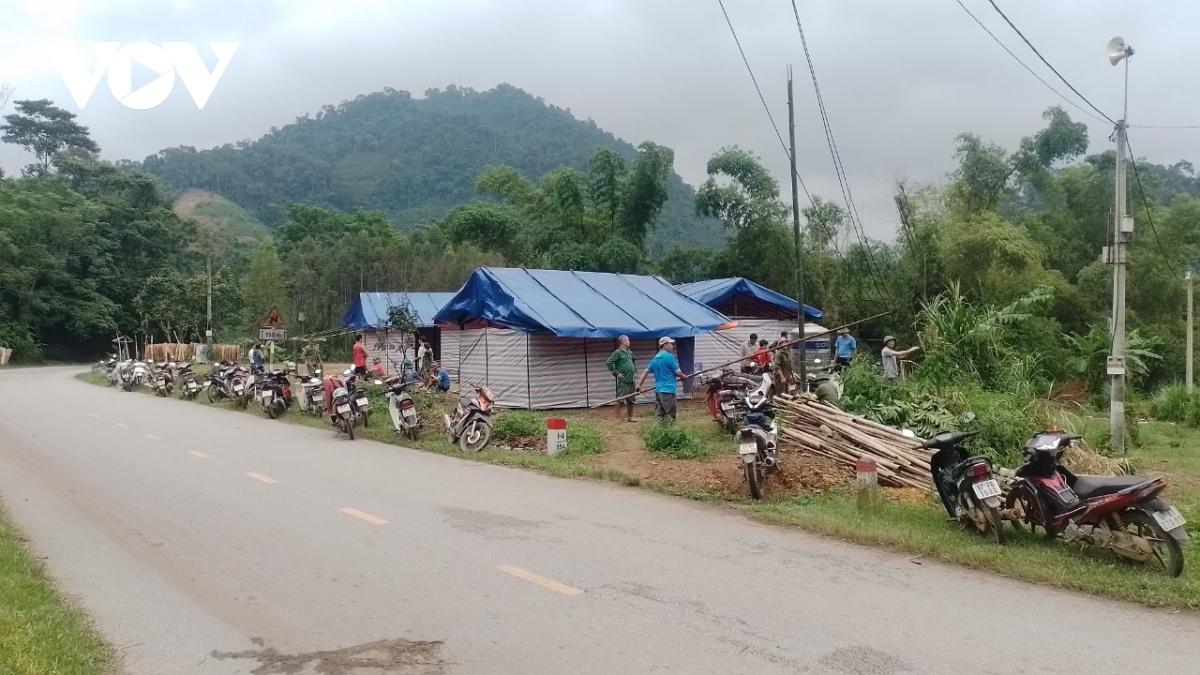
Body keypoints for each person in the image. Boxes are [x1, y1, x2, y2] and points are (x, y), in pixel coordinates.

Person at [636, 337, 686, 421]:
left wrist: (639, 385)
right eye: (670, 344)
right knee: (671, 416)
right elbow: (678, 372)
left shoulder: (655, 358)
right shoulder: (669, 357)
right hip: (668, 391)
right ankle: (671, 433)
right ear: (665, 345)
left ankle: (661, 432)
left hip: (659, 391)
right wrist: (683, 376)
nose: (672, 346)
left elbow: (645, 372)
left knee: (661, 416)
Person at [605, 335, 638, 422]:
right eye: (628, 340)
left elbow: (634, 361)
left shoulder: (629, 352)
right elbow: (609, 362)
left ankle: (630, 417)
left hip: (632, 380)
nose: (629, 342)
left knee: (631, 400)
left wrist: (635, 371)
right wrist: (616, 373)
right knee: (620, 400)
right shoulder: (617, 353)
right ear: (623, 342)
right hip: (624, 380)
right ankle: (618, 418)